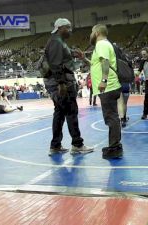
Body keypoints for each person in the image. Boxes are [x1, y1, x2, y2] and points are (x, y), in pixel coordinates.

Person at [45, 18, 93, 156]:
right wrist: (61, 83)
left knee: (59, 113)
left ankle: (55, 146)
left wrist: (73, 53)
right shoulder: (55, 42)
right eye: (68, 27)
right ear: (60, 28)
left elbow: (61, 55)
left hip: (58, 82)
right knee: (71, 112)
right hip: (61, 83)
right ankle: (77, 145)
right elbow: (55, 63)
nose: (70, 30)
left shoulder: (58, 42)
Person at [89, 24, 123, 159]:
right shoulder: (104, 44)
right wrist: (84, 59)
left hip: (107, 87)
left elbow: (105, 62)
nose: (91, 34)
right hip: (110, 86)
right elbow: (98, 63)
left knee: (111, 117)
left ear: (97, 32)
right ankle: (114, 145)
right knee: (112, 116)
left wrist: (103, 80)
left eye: (92, 32)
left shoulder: (101, 44)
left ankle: (115, 147)